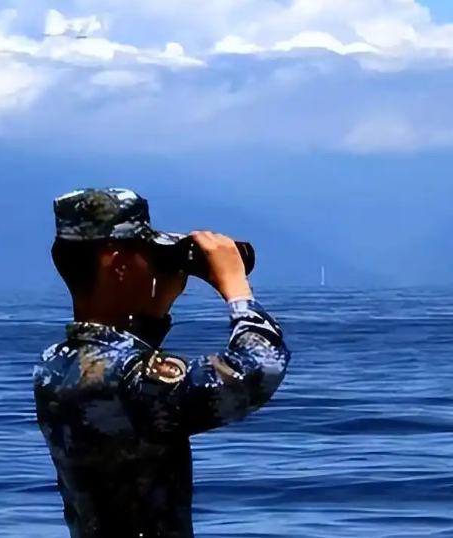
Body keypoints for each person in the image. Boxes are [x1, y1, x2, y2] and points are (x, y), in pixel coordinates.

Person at [33, 188, 292, 538]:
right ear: (119, 264)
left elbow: (122, 355)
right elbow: (258, 368)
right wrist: (236, 287)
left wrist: (156, 305)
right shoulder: (130, 379)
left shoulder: (53, 365)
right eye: (149, 253)